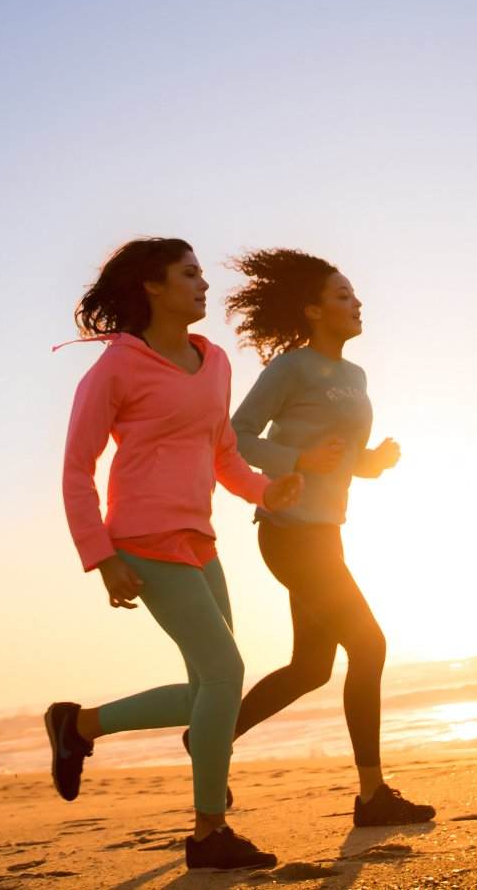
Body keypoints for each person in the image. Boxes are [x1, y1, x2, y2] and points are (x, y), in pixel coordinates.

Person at [44, 237, 304, 872]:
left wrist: (270, 491)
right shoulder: (115, 368)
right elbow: (77, 471)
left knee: (208, 689)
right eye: (188, 274)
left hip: (199, 540)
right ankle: (209, 833)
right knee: (224, 674)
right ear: (152, 287)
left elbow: (222, 457)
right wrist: (102, 557)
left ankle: (78, 727)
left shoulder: (214, 362)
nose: (203, 285)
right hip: (140, 540)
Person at [224, 248, 436, 826]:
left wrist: (372, 462)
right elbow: (235, 437)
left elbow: (339, 461)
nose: (357, 302)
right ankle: (372, 796)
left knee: (312, 668)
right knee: (369, 645)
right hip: (289, 533)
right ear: (314, 311)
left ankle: (210, 740)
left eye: (354, 294)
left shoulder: (355, 376)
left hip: (326, 535)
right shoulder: (290, 368)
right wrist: (298, 457)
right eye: (343, 296)